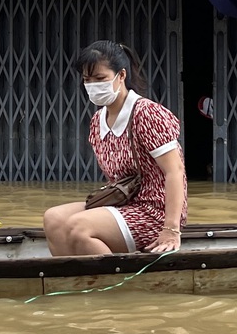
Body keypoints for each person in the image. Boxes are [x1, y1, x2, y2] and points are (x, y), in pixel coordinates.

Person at [42, 41, 187, 257]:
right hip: (123, 204)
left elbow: (175, 171)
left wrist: (171, 229)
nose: (92, 85)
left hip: (155, 212)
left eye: (100, 79)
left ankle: (112, 285)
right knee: (53, 218)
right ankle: (72, 284)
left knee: (79, 227)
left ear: (121, 75)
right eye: (87, 80)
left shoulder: (146, 114)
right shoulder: (97, 120)